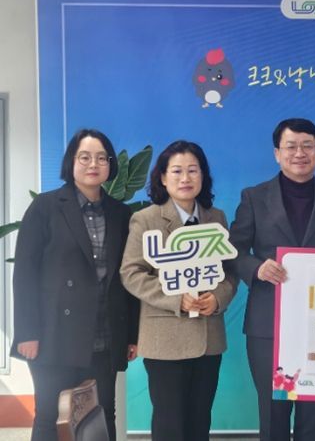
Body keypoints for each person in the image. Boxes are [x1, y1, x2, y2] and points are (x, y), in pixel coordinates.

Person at [229, 118, 315, 441]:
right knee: (273, 411)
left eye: (307, 146)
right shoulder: (254, 197)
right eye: (291, 146)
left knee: (314, 410)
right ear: (277, 153)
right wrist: (256, 268)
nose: (299, 153)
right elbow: (233, 250)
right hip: (267, 322)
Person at [11, 128, 139, 441]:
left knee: (103, 415)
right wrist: (28, 332)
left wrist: (131, 335)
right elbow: (25, 273)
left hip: (104, 334)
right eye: (85, 157)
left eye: (101, 158)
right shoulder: (46, 207)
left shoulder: (121, 214)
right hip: (54, 333)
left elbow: (128, 276)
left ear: (110, 165)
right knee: (49, 416)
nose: (93, 164)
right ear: (71, 161)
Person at [120, 140, 237, 441]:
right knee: (169, 422)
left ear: (203, 176)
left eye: (193, 170)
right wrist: (175, 298)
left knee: (200, 419)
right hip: (165, 338)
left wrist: (218, 297)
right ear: (162, 177)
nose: (185, 178)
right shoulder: (146, 219)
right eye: (176, 171)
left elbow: (230, 272)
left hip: (209, 337)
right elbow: (131, 273)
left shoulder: (216, 218)